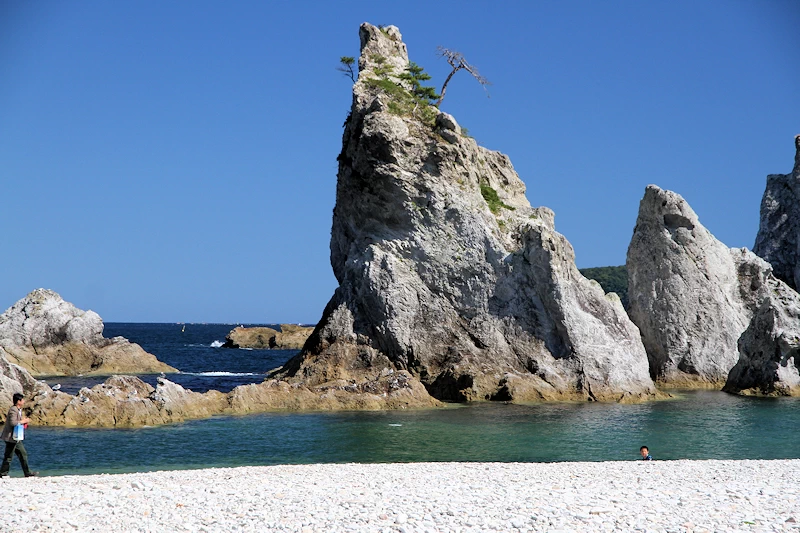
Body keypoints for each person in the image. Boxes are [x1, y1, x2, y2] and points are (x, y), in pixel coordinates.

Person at [0, 393, 38, 478]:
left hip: (16, 437)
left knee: (22, 454)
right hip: (11, 437)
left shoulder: (18, 409)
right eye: (22, 400)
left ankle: (27, 473)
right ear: (18, 401)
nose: (24, 401)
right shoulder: (13, 410)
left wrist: (23, 421)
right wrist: (23, 421)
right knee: (8, 456)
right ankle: (2, 473)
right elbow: (13, 423)